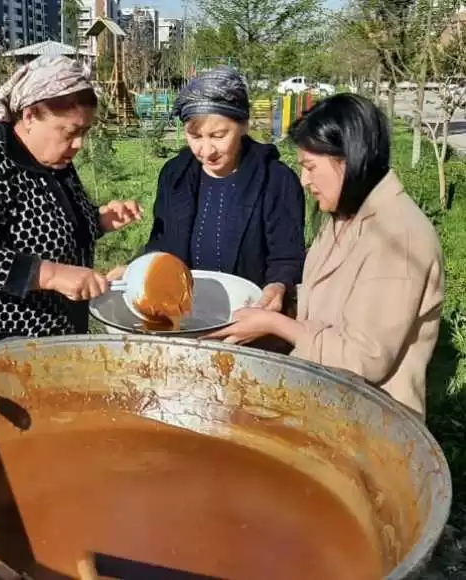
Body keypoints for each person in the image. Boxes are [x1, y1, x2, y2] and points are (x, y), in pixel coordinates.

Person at [208, 94, 443, 418]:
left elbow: (363, 358)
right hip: (324, 399)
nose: (304, 181)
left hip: (371, 422)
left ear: (347, 159)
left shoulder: (398, 238)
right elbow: (332, 296)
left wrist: (275, 323)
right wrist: (281, 297)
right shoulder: (345, 217)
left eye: (310, 167)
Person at [0, 55, 142, 356]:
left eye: (84, 132)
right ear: (29, 116)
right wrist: (50, 274)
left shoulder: (53, 158)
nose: (79, 144)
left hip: (51, 340)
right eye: (70, 132)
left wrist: (99, 219)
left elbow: (42, 226)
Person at [110, 67, 306, 313]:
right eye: (195, 136)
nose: (206, 150)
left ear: (244, 125)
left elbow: (286, 256)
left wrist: (278, 285)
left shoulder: (276, 180)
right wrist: (135, 268)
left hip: (248, 318)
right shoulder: (175, 175)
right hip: (184, 315)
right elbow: (163, 242)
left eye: (218, 135)